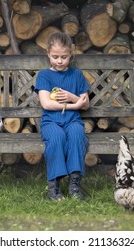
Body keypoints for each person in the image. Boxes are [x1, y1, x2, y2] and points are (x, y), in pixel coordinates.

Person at [34, 32, 90, 200]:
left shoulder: (77, 75)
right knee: (57, 137)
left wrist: (72, 97)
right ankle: (54, 188)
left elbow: (85, 103)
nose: (59, 61)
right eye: (55, 56)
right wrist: (74, 105)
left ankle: (74, 186)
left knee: (76, 135)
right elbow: (46, 104)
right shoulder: (44, 75)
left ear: (70, 55)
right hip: (51, 122)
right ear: (48, 54)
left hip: (73, 121)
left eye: (64, 57)